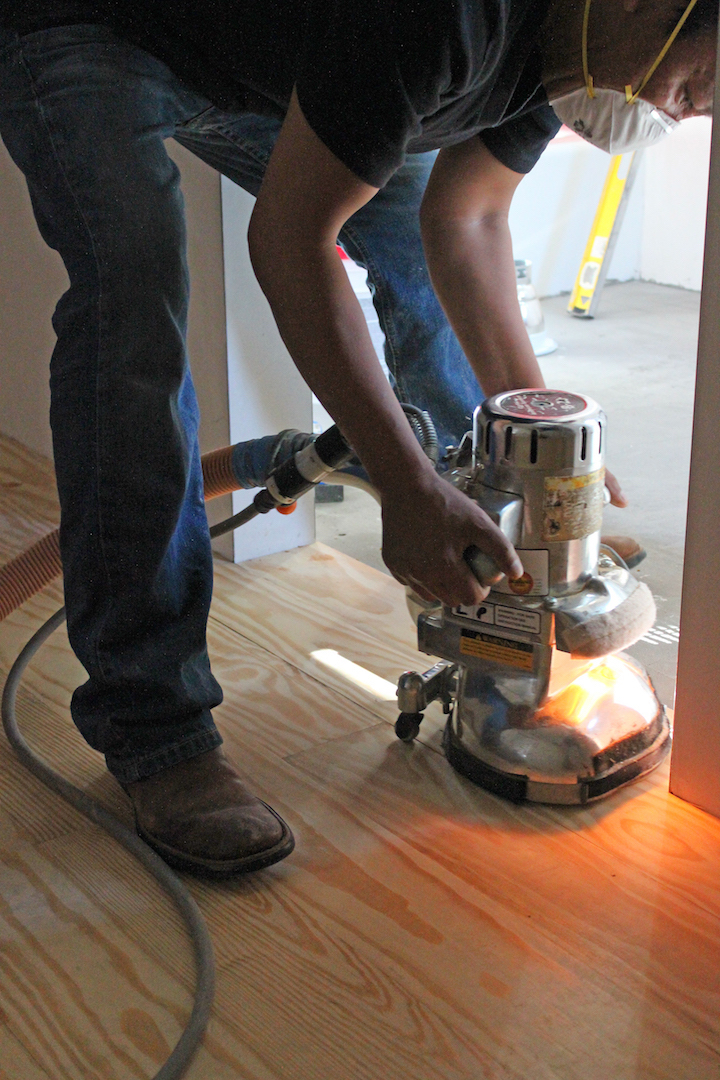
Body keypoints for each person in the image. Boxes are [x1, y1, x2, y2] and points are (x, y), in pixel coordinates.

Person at [0, 0, 715, 877]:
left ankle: (505, 568)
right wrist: (405, 485)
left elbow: (465, 224)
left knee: (403, 218)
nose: (703, 109)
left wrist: (545, 452)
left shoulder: (579, 47)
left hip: (239, 48)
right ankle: (156, 730)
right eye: (714, 73)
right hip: (86, 24)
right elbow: (292, 240)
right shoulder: (454, 18)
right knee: (135, 308)